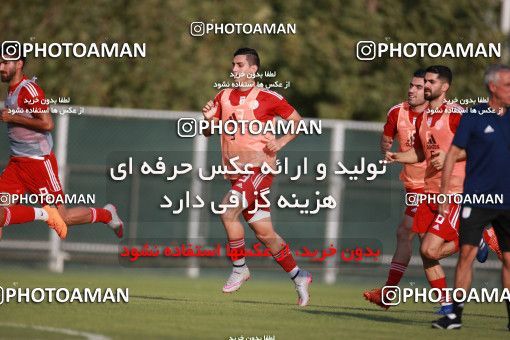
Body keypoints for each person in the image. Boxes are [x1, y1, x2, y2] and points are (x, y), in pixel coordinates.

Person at [201, 47, 312, 306]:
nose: (234, 70)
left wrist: (281, 142)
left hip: (259, 169)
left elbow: (297, 121)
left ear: (253, 69)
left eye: (240, 65)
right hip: (236, 173)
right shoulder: (223, 96)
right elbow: (208, 132)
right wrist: (206, 120)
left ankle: (240, 268)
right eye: (233, 65)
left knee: (227, 211)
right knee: (265, 234)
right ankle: (299, 275)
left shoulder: (268, 97)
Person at [0, 44, 123, 239]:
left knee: (61, 217)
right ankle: (41, 214)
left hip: (39, 163)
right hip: (17, 164)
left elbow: (47, 124)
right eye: (0, 62)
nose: (1, 67)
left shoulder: (29, 90)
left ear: (19, 64)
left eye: (6, 63)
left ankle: (106, 214)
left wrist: (13, 117)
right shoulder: (12, 91)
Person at [433, 64, 510, 330]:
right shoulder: (475, 115)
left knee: (509, 259)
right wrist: (444, 192)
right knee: (465, 254)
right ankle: (455, 316)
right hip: (476, 198)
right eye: (508, 85)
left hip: (508, 201)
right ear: (493, 87)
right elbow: (453, 153)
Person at [386, 65, 465, 314]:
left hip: (454, 190)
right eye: (424, 82)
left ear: (445, 87)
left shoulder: (456, 115)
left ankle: (473, 237)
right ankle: (445, 305)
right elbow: (420, 153)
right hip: (429, 191)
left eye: (431, 82)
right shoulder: (422, 117)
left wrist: (450, 156)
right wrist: (398, 156)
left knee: (429, 248)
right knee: (427, 253)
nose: (426, 86)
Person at [364, 69, 427, 308]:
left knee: (409, 235)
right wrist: (386, 147)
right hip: (413, 186)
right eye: (411, 85)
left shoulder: (442, 114)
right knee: (423, 242)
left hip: (432, 186)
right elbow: (386, 141)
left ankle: (478, 232)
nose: (412, 90)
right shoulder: (397, 111)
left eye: (419, 87)